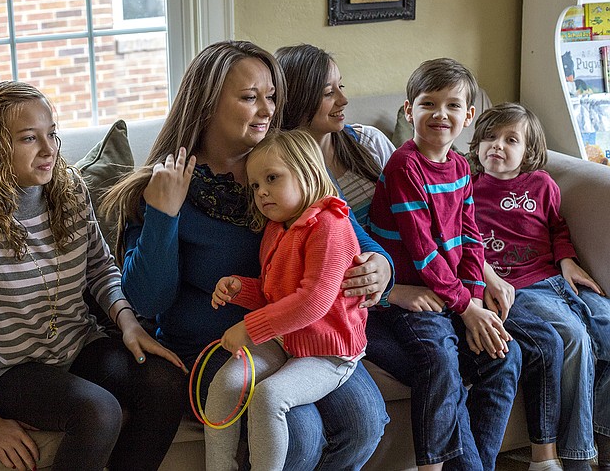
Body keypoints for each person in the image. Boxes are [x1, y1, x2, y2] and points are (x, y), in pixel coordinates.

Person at [101, 40, 392, 470]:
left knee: (364, 422)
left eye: (271, 97)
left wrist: (381, 266)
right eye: (249, 97)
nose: (267, 109)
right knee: (300, 432)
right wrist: (164, 215)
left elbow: (346, 233)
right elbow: (148, 300)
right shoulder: (167, 182)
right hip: (217, 345)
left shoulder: (289, 161)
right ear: (206, 104)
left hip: (303, 334)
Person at [0, 81, 186, 471]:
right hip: (8, 369)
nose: (49, 149)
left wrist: (128, 324)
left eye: (52, 133)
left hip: (78, 345)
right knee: (100, 411)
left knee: (166, 384)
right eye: (29, 138)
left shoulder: (71, 190)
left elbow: (99, 267)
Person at [366, 58, 522, 471]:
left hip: (449, 293)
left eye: (453, 105)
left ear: (469, 116)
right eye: (428, 104)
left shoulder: (459, 166)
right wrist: (467, 308)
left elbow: (472, 239)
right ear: (408, 110)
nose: (440, 114)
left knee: (506, 355)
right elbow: (423, 252)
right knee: (439, 358)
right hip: (407, 297)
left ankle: (479, 464)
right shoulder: (404, 167)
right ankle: (431, 466)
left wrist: (473, 300)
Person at [206, 129, 367, 470]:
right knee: (225, 384)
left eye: (272, 178)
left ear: (307, 171)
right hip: (288, 340)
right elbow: (272, 292)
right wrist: (240, 289)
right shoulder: (277, 229)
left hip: (329, 353)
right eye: (255, 185)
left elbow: (313, 302)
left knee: (269, 397)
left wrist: (249, 329)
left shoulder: (331, 225)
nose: (261, 191)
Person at [469, 102, 610, 471]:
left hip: (558, 277)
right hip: (519, 290)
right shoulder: (468, 189)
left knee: (607, 327)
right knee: (575, 337)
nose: (497, 145)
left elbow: (557, 228)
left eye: (510, 139)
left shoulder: (542, 184)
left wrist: (568, 261)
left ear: (528, 152)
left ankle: (605, 432)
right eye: (489, 137)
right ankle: (580, 455)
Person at [275, 43, 395, 226]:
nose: (344, 100)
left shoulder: (370, 140)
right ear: (297, 100)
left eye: (341, 85)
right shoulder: (278, 172)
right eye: (329, 93)